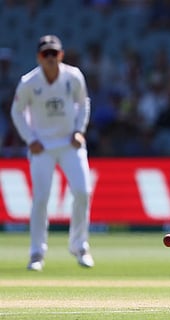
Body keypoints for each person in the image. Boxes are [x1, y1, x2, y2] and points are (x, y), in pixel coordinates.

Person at [11, 35, 94, 271]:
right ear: (39, 57)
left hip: (69, 143)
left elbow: (83, 103)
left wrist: (79, 131)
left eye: (54, 54)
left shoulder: (73, 76)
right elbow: (17, 112)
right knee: (41, 199)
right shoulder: (29, 82)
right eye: (45, 54)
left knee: (82, 192)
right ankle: (37, 253)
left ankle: (79, 246)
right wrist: (31, 139)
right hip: (43, 147)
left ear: (61, 55)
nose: (50, 58)